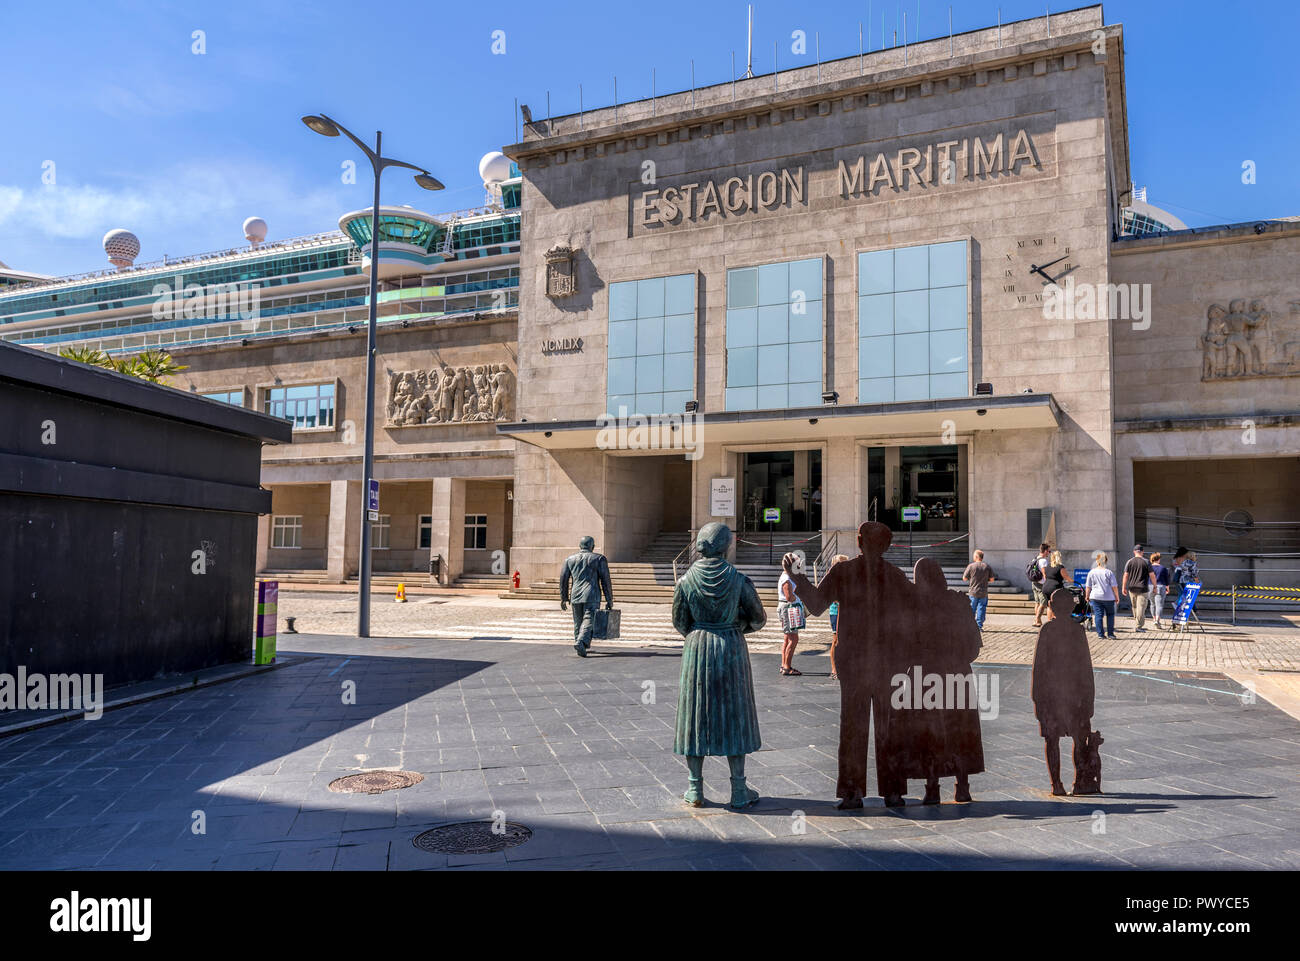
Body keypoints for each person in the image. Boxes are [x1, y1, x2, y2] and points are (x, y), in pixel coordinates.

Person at [783, 523, 915, 809]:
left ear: (859, 542)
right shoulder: (894, 575)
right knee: (890, 726)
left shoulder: (844, 572)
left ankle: (852, 793)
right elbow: (913, 616)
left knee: (852, 726)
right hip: (887, 662)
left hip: (855, 661)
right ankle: (893, 792)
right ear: (886, 546)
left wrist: (798, 578)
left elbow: (817, 605)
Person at [672, 523, 766, 808]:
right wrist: (737, 625)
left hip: (697, 648)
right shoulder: (739, 580)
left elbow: (680, 622)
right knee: (736, 716)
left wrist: (700, 631)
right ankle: (739, 790)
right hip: (730, 646)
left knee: (694, 716)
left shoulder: (685, 581)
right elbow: (759, 618)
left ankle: (695, 789)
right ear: (726, 546)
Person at [911, 558, 985, 804]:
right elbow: (974, 642)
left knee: (929, 732)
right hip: (957, 674)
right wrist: (961, 660)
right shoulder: (958, 601)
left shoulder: (917, 605)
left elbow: (908, 645)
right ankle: (962, 785)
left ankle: (932, 787)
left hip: (926, 677)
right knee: (960, 729)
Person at [1032, 590, 1097, 796]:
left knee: (1052, 740)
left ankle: (1056, 784)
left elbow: (1038, 668)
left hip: (1051, 696)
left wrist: (1037, 698)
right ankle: (1077, 782)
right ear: (1071, 607)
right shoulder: (1077, 631)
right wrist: (1089, 698)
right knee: (1078, 739)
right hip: (1075, 695)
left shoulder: (1047, 630)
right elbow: (1086, 668)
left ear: (1051, 606)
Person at [559, 535, 613, 657]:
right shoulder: (599, 559)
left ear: (580, 546)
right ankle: (581, 642)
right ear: (592, 547)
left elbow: (563, 579)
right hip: (592, 594)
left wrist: (564, 597)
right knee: (589, 619)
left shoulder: (570, 559)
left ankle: (580, 645)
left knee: (578, 621)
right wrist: (609, 599)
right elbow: (606, 581)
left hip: (575, 594)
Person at [777, 562, 805, 676]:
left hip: (788, 608)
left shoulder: (787, 576)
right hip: (790, 608)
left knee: (788, 638)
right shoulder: (787, 578)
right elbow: (789, 596)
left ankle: (784, 665)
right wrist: (799, 597)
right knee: (793, 638)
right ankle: (787, 667)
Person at [1084, 552, 1119, 639]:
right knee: (1110, 615)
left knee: (1098, 615)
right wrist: (1117, 596)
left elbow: (1088, 586)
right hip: (1108, 597)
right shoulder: (1109, 572)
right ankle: (1110, 634)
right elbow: (1114, 586)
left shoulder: (1092, 572)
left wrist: (1087, 596)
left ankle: (1100, 634)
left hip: (1095, 597)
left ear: (1097, 561)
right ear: (1106, 561)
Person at [827, 553, 849, 680]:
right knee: (836, 641)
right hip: (836, 612)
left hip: (847, 612)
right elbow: (834, 598)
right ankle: (834, 669)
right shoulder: (832, 579)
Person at [1121, 544, 1153, 632]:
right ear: (1142, 552)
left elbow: (1125, 575)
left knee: (1135, 607)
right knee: (1141, 608)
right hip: (1143, 588)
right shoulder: (1146, 562)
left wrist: (1123, 587)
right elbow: (1152, 575)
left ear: (1134, 552)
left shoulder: (1129, 562)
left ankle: (1138, 623)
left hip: (1132, 588)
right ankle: (1138, 626)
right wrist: (1155, 585)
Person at [962, 549, 993, 630]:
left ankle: (970, 626)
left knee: (972, 609)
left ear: (976, 556)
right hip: (983, 592)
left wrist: (972, 579)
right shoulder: (987, 566)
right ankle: (979, 626)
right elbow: (992, 579)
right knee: (981, 609)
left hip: (973, 591)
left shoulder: (971, 566)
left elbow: (964, 578)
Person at [1041, 550, 1069, 619]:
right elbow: (1067, 578)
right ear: (1059, 557)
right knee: (1057, 605)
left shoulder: (1047, 566)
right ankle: (1055, 622)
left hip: (1045, 588)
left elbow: (1045, 576)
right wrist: (1073, 581)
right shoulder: (1060, 567)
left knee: (1049, 605)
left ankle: (1049, 622)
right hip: (1054, 588)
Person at [1031, 542, 1052, 627]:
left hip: (1034, 583)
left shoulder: (1035, 559)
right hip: (1041, 585)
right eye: (1049, 551)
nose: (1049, 553)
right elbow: (1044, 573)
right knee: (1043, 603)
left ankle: (1036, 620)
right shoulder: (1043, 561)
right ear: (1046, 551)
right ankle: (1037, 620)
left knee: (1037, 603)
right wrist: (1048, 583)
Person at [1149, 551, 1171, 629]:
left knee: (1152, 604)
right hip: (1160, 586)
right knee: (1159, 604)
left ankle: (1154, 618)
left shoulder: (1149, 567)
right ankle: (1157, 620)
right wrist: (1167, 588)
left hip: (1150, 586)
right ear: (1158, 559)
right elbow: (1167, 579)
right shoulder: (1163, 568)